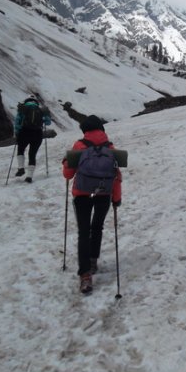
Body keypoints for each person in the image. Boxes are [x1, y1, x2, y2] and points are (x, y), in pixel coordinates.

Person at [62, 115, 122, 295]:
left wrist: (66, 162)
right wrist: (116, 199)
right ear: (101, 129)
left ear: (85, 130)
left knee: (84, 232)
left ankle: (85, 274)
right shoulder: (110, 148)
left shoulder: (79, 146)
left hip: (82, 194)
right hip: (103, 194)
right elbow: (116, 177)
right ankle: (93, 260)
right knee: (97, 227)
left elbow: (68, 174)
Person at [14, 96, 51, 183]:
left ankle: (21, 168)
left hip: (24, 132)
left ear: (26, 102)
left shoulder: (23, 108)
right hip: (37, 133)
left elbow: (17, 122)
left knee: (21, 150)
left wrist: (17, 133)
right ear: (36, 103)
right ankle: (29, 177)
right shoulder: (41, 110)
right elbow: (48, 122)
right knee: (32, 154)